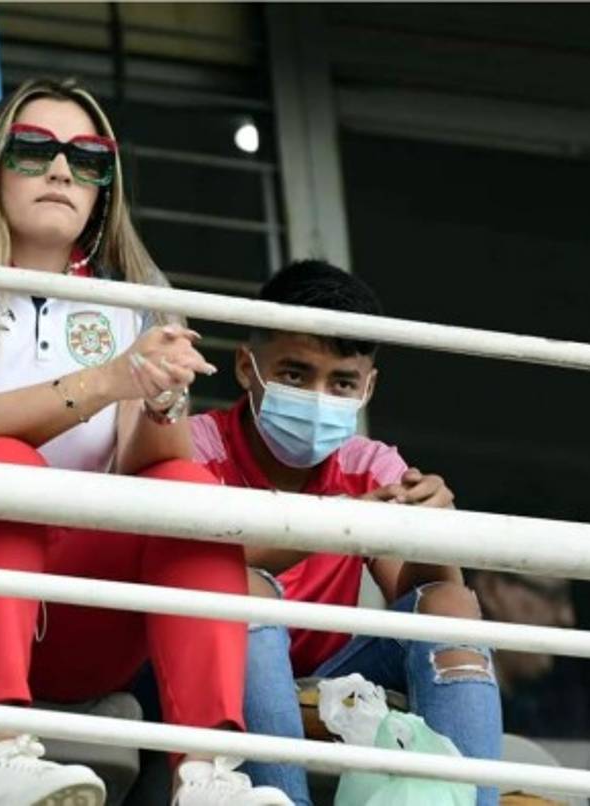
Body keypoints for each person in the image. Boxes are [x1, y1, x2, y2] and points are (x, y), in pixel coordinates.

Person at [0, 78, 291, 806]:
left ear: (104, 187)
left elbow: (152, 468)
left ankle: (208, 776)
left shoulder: (136, 294)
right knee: (0, 462)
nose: (62, 170)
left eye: (88, 158)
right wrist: (110, 379)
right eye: (34, 150)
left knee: (190, 491)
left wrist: (160, 397)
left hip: (64, 623)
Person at [190, 259, 503, 806]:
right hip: (199, 666)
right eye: (294, 374)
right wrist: (341, 525)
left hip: (330, 675)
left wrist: (434, 532)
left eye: (341, 382)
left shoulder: (369, 462)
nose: (318, 396)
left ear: (368, 387)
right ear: (246, 366)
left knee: (451, 603)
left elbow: (420, 599)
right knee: (243, 587)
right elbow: (199, 570)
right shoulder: (196, 447)